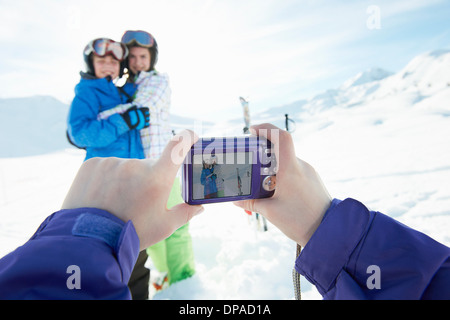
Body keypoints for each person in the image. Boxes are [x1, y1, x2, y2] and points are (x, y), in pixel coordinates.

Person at [0, 124, 449, 299]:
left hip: (119, 194)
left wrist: (80, 245)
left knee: (166, 252)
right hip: (126, 187)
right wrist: (333, 233)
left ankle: (175, 282)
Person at [99, 30, 195, 296]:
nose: (138, 61)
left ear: (152, 58)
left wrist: (100, 117)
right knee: (149, 230)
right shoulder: (126, 88)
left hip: (166, 165)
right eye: (134, 56)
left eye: (144, 56)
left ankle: (185, 284)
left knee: (176, 227)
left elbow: (140, 108)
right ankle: (164, 276)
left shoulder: (157, 82)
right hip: (141, 171)